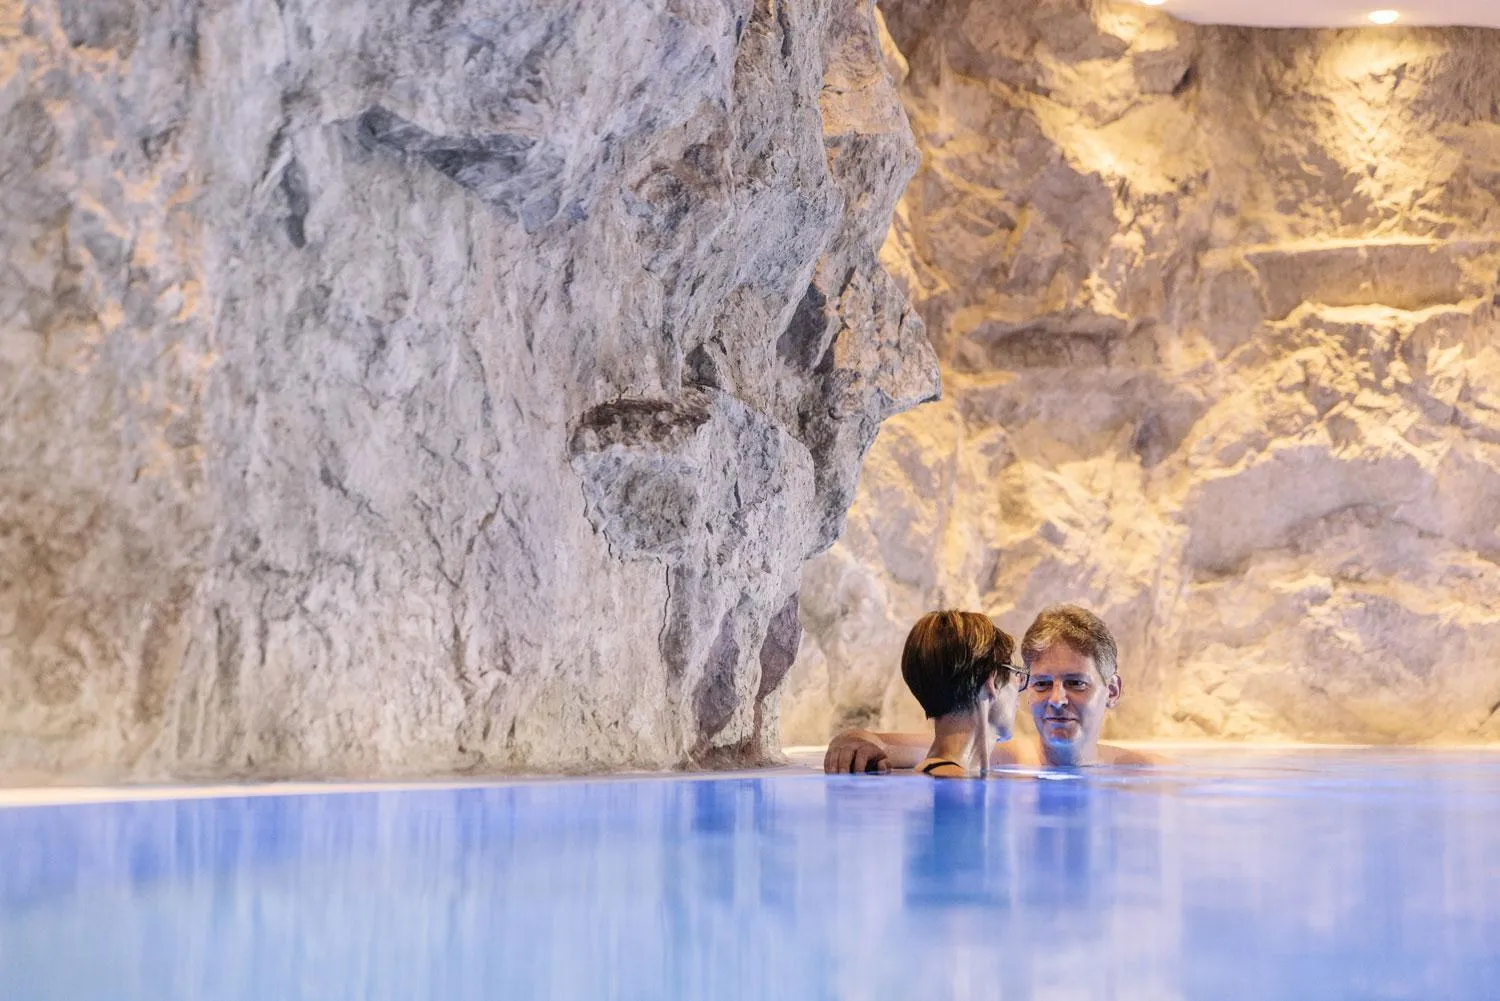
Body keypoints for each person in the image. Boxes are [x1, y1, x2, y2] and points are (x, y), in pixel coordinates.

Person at [823, 604, 1162, 773]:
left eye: (1076, 683)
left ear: (1112, 691)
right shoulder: (1010, 757)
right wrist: (853, 740)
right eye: (1041, 684)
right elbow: (888, 743)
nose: (1057, 700)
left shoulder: (1146, 771)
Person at [896, 610, 1023, 778]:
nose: (1020, 685)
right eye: (1016, 672)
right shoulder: (959, 786)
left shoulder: (940, 772)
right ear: (992, 681)